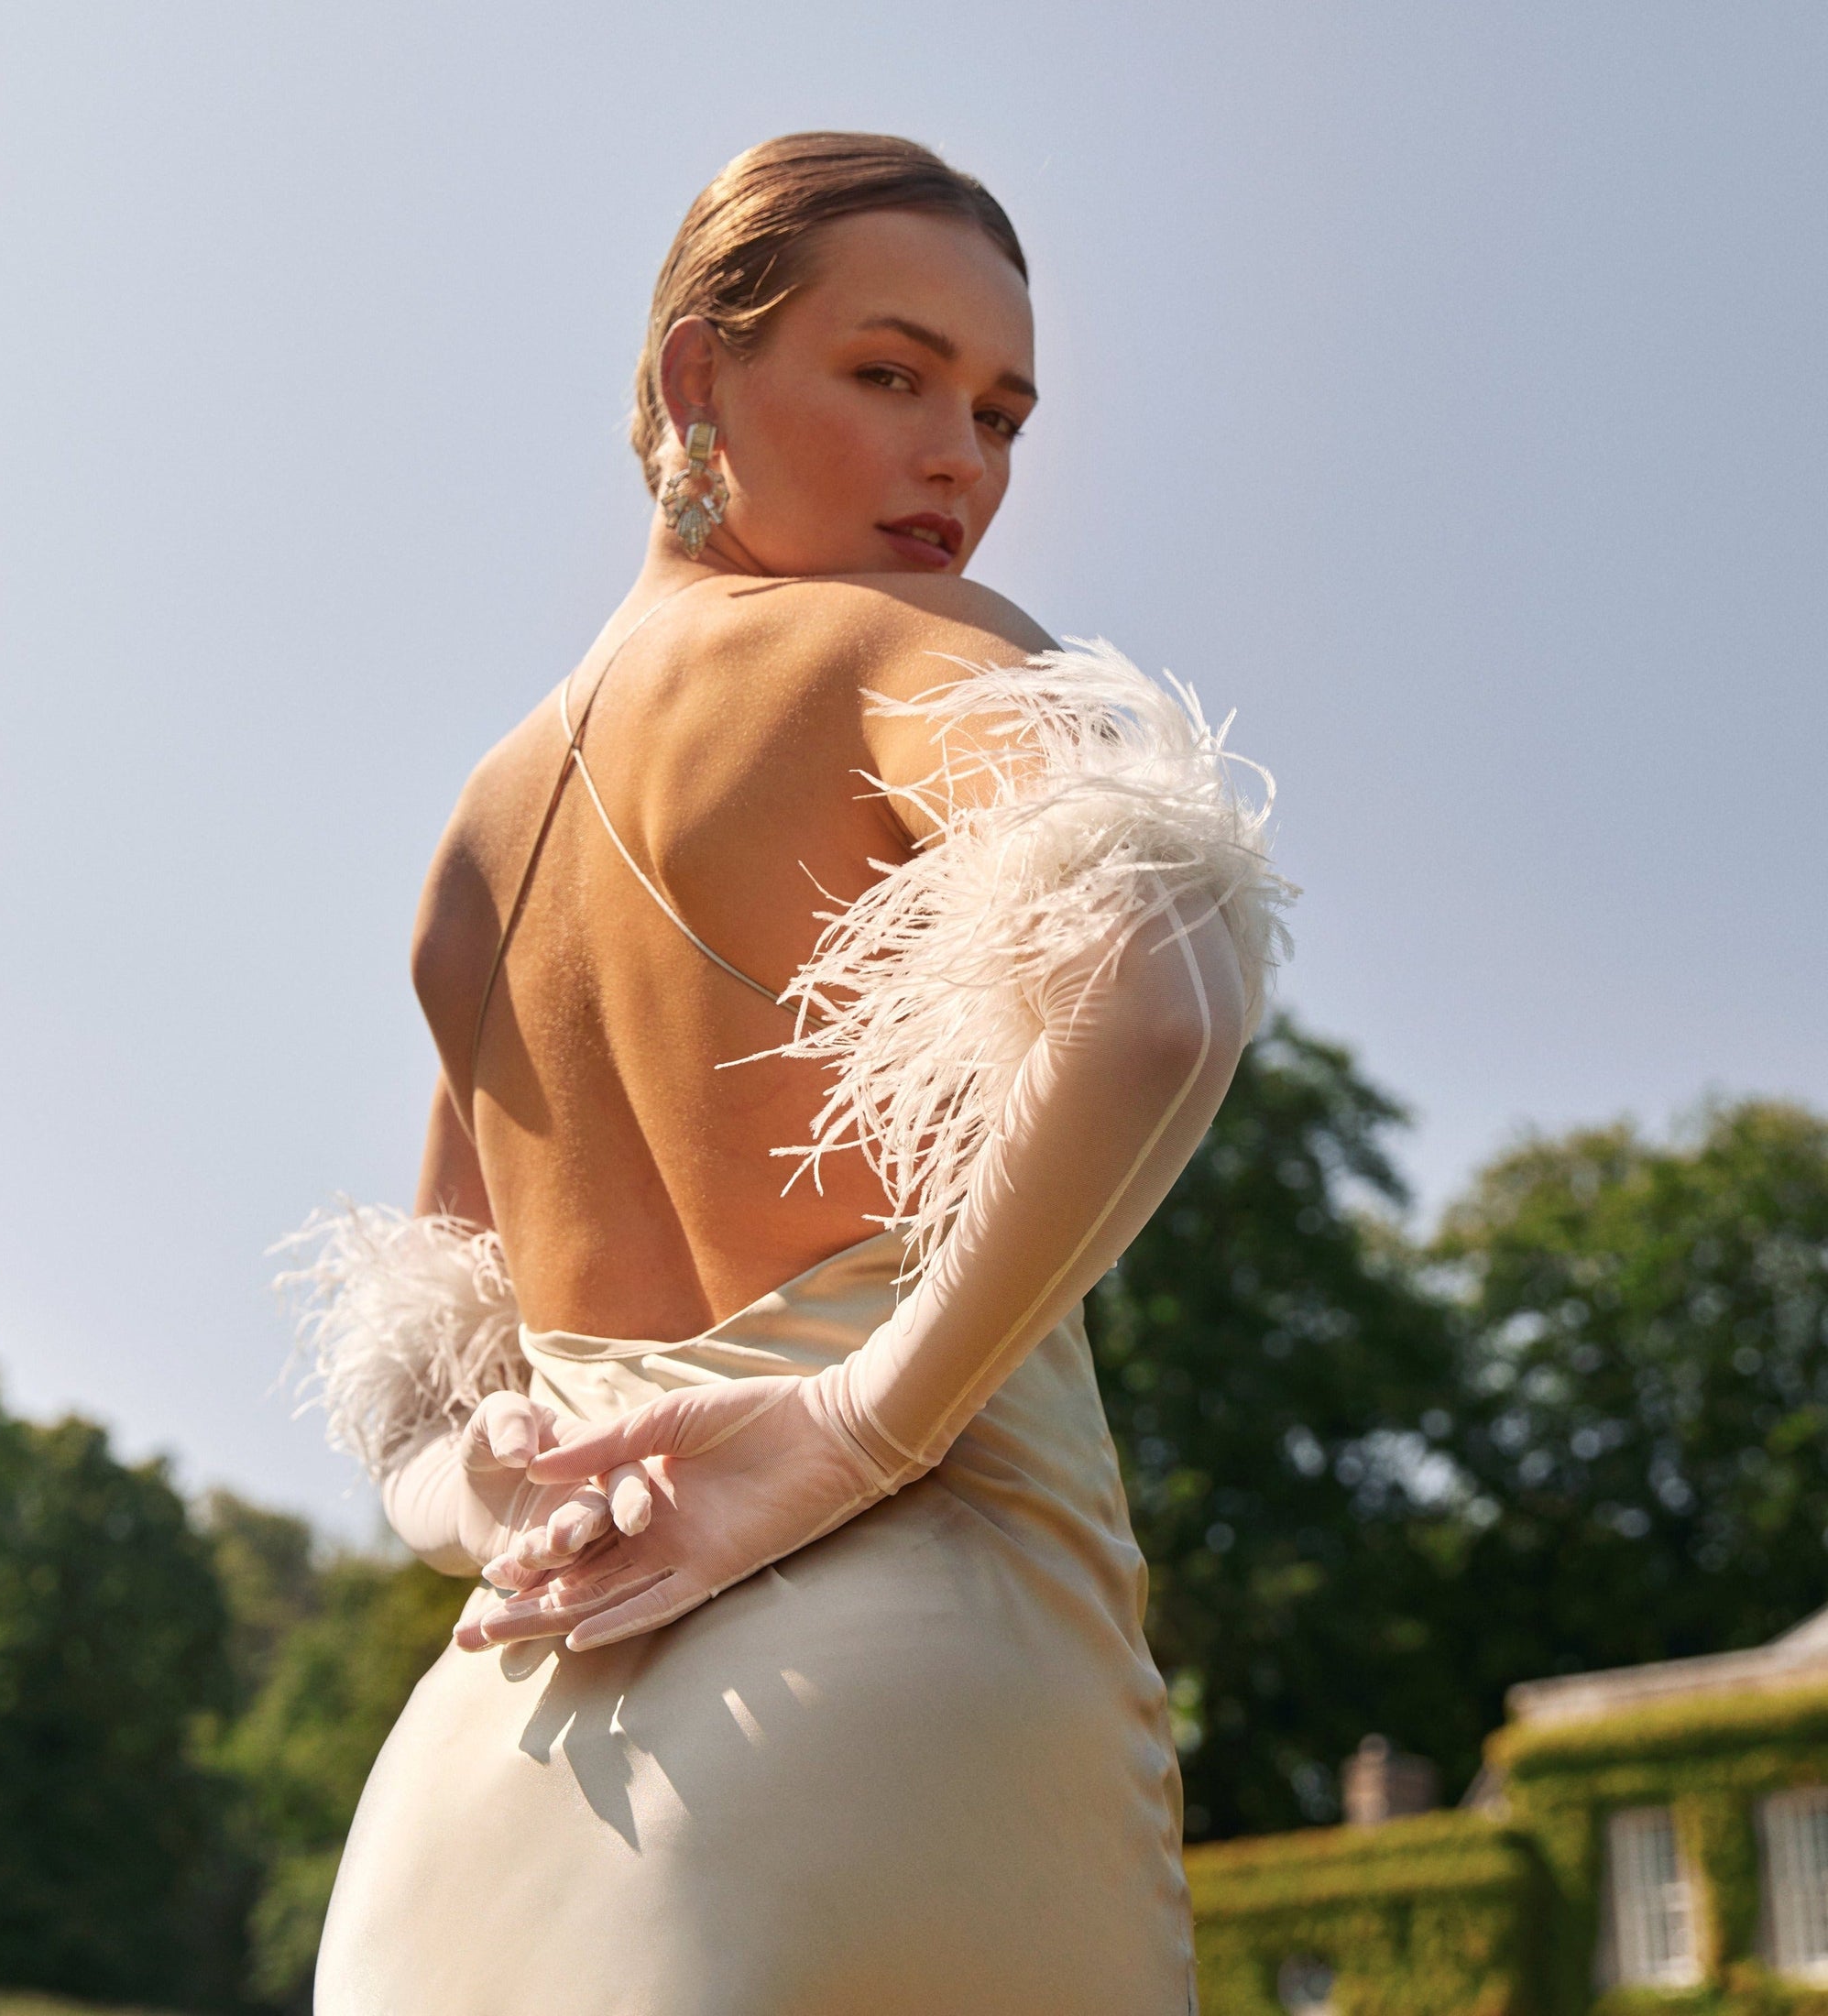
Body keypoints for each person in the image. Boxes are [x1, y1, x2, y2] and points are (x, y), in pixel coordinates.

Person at [281, 131, 1292, 2015]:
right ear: (694, 377)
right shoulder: (911, 644)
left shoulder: (472, 846)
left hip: (481, 1769)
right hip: (897, 1685)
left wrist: (488, 1500)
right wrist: (858, 1427)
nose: (960, 466)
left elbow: (422, 1400)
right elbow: (1160, 998)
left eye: (998, 410)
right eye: (888, 373)